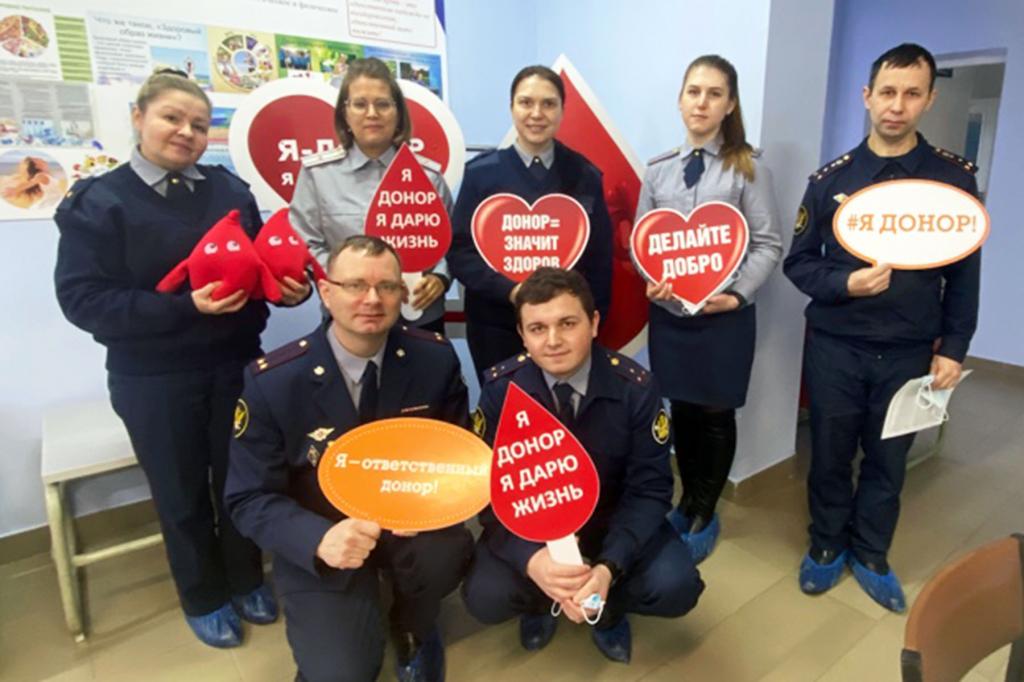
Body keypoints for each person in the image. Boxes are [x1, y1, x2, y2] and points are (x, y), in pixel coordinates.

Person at [54, 70, 311, 647]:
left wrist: (288, 290)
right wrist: (183, 307)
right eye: (172, 118)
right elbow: (82, 300)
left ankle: (246, 577)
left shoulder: (229, 192)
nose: (186, 133)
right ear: (139, 117)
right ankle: (203, 595)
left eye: (198, 124)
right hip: (153, 378)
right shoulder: (100, 201)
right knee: (180, 491)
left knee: (243, 480)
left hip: (237, 365)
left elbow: (256, 271)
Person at [784, 43, 981, 612]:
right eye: (888, 92)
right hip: (836, 347)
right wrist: (845, 283)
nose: (897, 106)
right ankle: (826, 545)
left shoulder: (952, 181)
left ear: (929, 99)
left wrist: (955, 347)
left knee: (889, 459)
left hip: (908, 351)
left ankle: (871, 553)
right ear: (867, 97)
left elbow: (965, 275)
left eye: (911, 94)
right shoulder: (831, 180)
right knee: (829, 454)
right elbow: (799, 262)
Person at [225, 235, 473, 682]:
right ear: (326, 292)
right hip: (325, 532)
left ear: (403, 295)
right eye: (355, 285)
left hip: (410, 525)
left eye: (387, 287)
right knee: (342, 673)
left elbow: (458, 458)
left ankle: (413, 622)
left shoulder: (434, 360)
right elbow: (248, 498)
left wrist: (431, 504)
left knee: (447, 552)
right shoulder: (274, 381)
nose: (372, 299)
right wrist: (318, 539)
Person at [461, 268, 704, 664]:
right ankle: (543, 602)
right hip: (532, 527)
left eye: (567, 323)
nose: (553, 340)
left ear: (593, 324)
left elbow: (650, 488)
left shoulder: (635, 388)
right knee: (485, 597)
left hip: (611, 521)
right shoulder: (501, 390)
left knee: (675, 585)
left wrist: (608, 567)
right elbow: (487, 491)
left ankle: (607, 611)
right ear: (522, 335)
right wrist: (533, 561)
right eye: (537, 328)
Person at [637, 55, 783, 562]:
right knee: (681, 407)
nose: (702, 103)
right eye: (694, 92)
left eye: (714, 94)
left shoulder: (748, 168)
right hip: (672, 317)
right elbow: (644, 243)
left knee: (716, 412)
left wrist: (736, 295)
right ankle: (686, 501)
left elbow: (768, 243)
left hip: (726, 317)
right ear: (680, 100)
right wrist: (651, 279)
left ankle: (705, 509)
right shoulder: (658, 170)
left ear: (730, 104)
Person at [449, 65, 613, 379]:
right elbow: (460, 253)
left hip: (564, 333)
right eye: (526, 102)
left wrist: (591, 323)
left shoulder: (585, 175)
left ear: (562, 110)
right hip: (495, 327)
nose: (536, 114)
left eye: (548, 104)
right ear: (512, 107)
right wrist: (511, 291)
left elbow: (600, 260)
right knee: (504, 405)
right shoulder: (480, 174)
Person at [291, 57, 453, 334]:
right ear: (345, 113)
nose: (372, 114)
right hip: (349, 319)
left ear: (398, 113)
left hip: (419, 316)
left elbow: (451, 242)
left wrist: (440, 276)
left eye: (383, 104)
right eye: (360, 104)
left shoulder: (429, 177)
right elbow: (307, 243)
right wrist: (349, 284)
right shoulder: (317, 175)